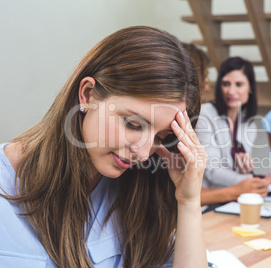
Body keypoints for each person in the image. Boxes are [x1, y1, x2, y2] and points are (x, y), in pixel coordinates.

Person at [0, 26, 207, 267]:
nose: (142, 153)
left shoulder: (139, 189)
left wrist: (189, 202)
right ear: (87, 95)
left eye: (160, 137)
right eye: (134, 124)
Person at [195, 57, 271, 207]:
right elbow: (211, 170)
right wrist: (260, 180)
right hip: (208, 202)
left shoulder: (249, 125)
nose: (231, 91)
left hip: (232, 202)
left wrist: (248, 174)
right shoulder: (205, 115)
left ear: (250, 88)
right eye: (226, 84)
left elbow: (237, 176)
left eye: (239, 84)